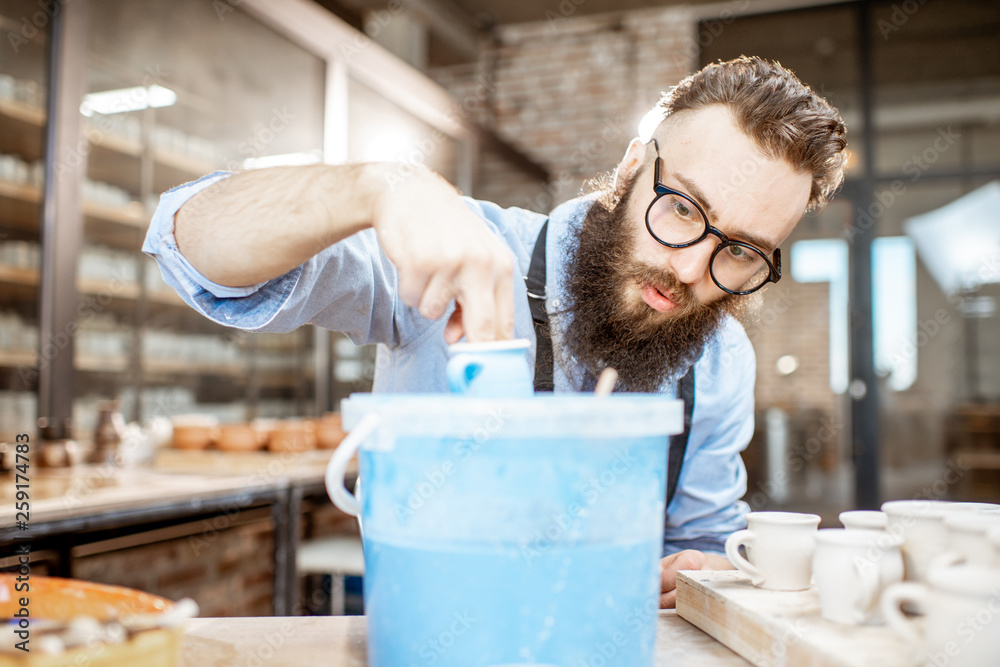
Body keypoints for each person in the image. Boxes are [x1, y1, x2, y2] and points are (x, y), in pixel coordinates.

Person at [143, 55, 847, 608]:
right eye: (685, 207)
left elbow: (702, 539)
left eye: (743, 251)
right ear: (633, 168)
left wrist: (706, 570)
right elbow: (194, 251)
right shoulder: (466, 251)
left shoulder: (721, 359)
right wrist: (375, 188)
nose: (691, 267)